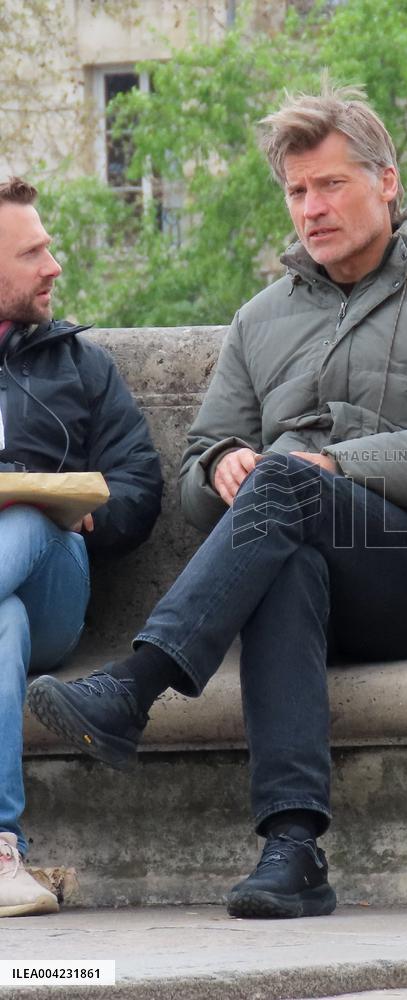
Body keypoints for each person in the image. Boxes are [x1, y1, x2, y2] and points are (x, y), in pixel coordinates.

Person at [28, 85, 407, 920]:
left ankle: (135, 687)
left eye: (331, 185)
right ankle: (292, 851)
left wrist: (329, 463)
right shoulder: (260, 319)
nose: (312, 207)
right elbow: (196, 467)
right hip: (301, 557)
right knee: (286, 553)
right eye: (298, 192)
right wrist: (224, 464)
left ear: (387, 181)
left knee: (293, 481)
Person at [0, 177, 163, 917]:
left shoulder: (80, 366)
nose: (54, 265)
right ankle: (2, 851)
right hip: (13, 617)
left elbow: (141, 483)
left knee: (32, 518)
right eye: (34, 252)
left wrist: (83, 509)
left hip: (55, 585)